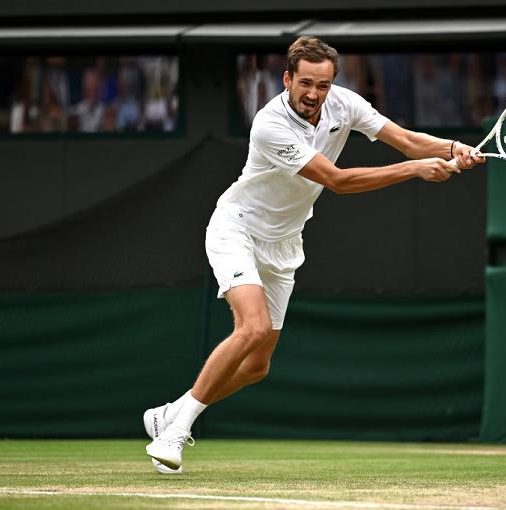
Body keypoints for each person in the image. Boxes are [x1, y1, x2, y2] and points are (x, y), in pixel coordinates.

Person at [143, 36, 484, 473]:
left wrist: (451, 149)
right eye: (305, 83)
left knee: (256, 367)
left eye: (322, 85)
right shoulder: (271, 124)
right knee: (253, 327)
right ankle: (176, 432)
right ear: (287, 79)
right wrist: (415, 170)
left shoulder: (345, 104)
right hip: (238, 228)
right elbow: (338, 181)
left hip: (284, 241)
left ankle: (170, 412)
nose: (313, 94)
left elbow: (404, 139)